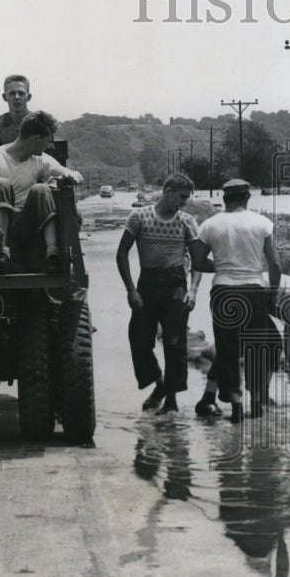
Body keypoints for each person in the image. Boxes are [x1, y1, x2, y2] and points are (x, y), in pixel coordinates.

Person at [191, 178, 282, 423]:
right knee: (256, 347)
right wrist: (272, 295)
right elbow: (274, 264)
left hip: (223, 292)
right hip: (254, 291)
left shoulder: (209, 225)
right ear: (247, 198)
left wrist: (222, 265)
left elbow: (197, 262)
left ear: (224, 199)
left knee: (227, 348)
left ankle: (236, 404)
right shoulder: (262, 223)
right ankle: (256, 402)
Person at [116, 172, 204, 414]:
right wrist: (131, 289)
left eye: (187, 198)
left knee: (175, 344)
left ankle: (171, 402)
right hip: (147, 284)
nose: (184, 202)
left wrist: (194, 290)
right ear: (167, 191)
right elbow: (122, 252)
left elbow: (198, 260)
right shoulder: (139, 216)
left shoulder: (187, 221)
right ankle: (160, 383)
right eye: (181, 197)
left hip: (176, 286)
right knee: (139, 340)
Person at [195, 273, 290, 409]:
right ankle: (259, 399)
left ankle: (208, 397)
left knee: (235, 345)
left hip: (240, 290)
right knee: (273, 346)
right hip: (255, 293)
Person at [0, 110, 82, 274]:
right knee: (1, 184)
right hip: (3, 223)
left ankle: (52, 254)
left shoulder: (40, 159)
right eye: (47, 141)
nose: (49, 145)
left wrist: (72, 175)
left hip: (28, 222)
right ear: (36, 139)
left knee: (41, 189)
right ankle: (2, 253)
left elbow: (71, 173)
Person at [0, 74, 32, 147]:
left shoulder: (40, 122)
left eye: (21, 93)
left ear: (29, 97)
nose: (17, 97)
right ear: (5, 97)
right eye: (12, 93)